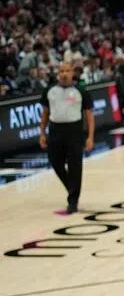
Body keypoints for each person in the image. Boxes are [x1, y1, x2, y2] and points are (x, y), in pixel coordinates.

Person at [37, 62, 94, 215]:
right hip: (55, 130)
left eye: (67, 71)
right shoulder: (50, 91)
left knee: (75, 166)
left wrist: (90, 137)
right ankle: (71, 188)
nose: (64, 74)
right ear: (57, 73)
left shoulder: (80, 91)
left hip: (74, 131)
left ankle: (73, 201)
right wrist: (42, 133)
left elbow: (89, 115)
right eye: (61, 71)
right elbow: (45, 114)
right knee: (55, 162)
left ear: (72, 73)